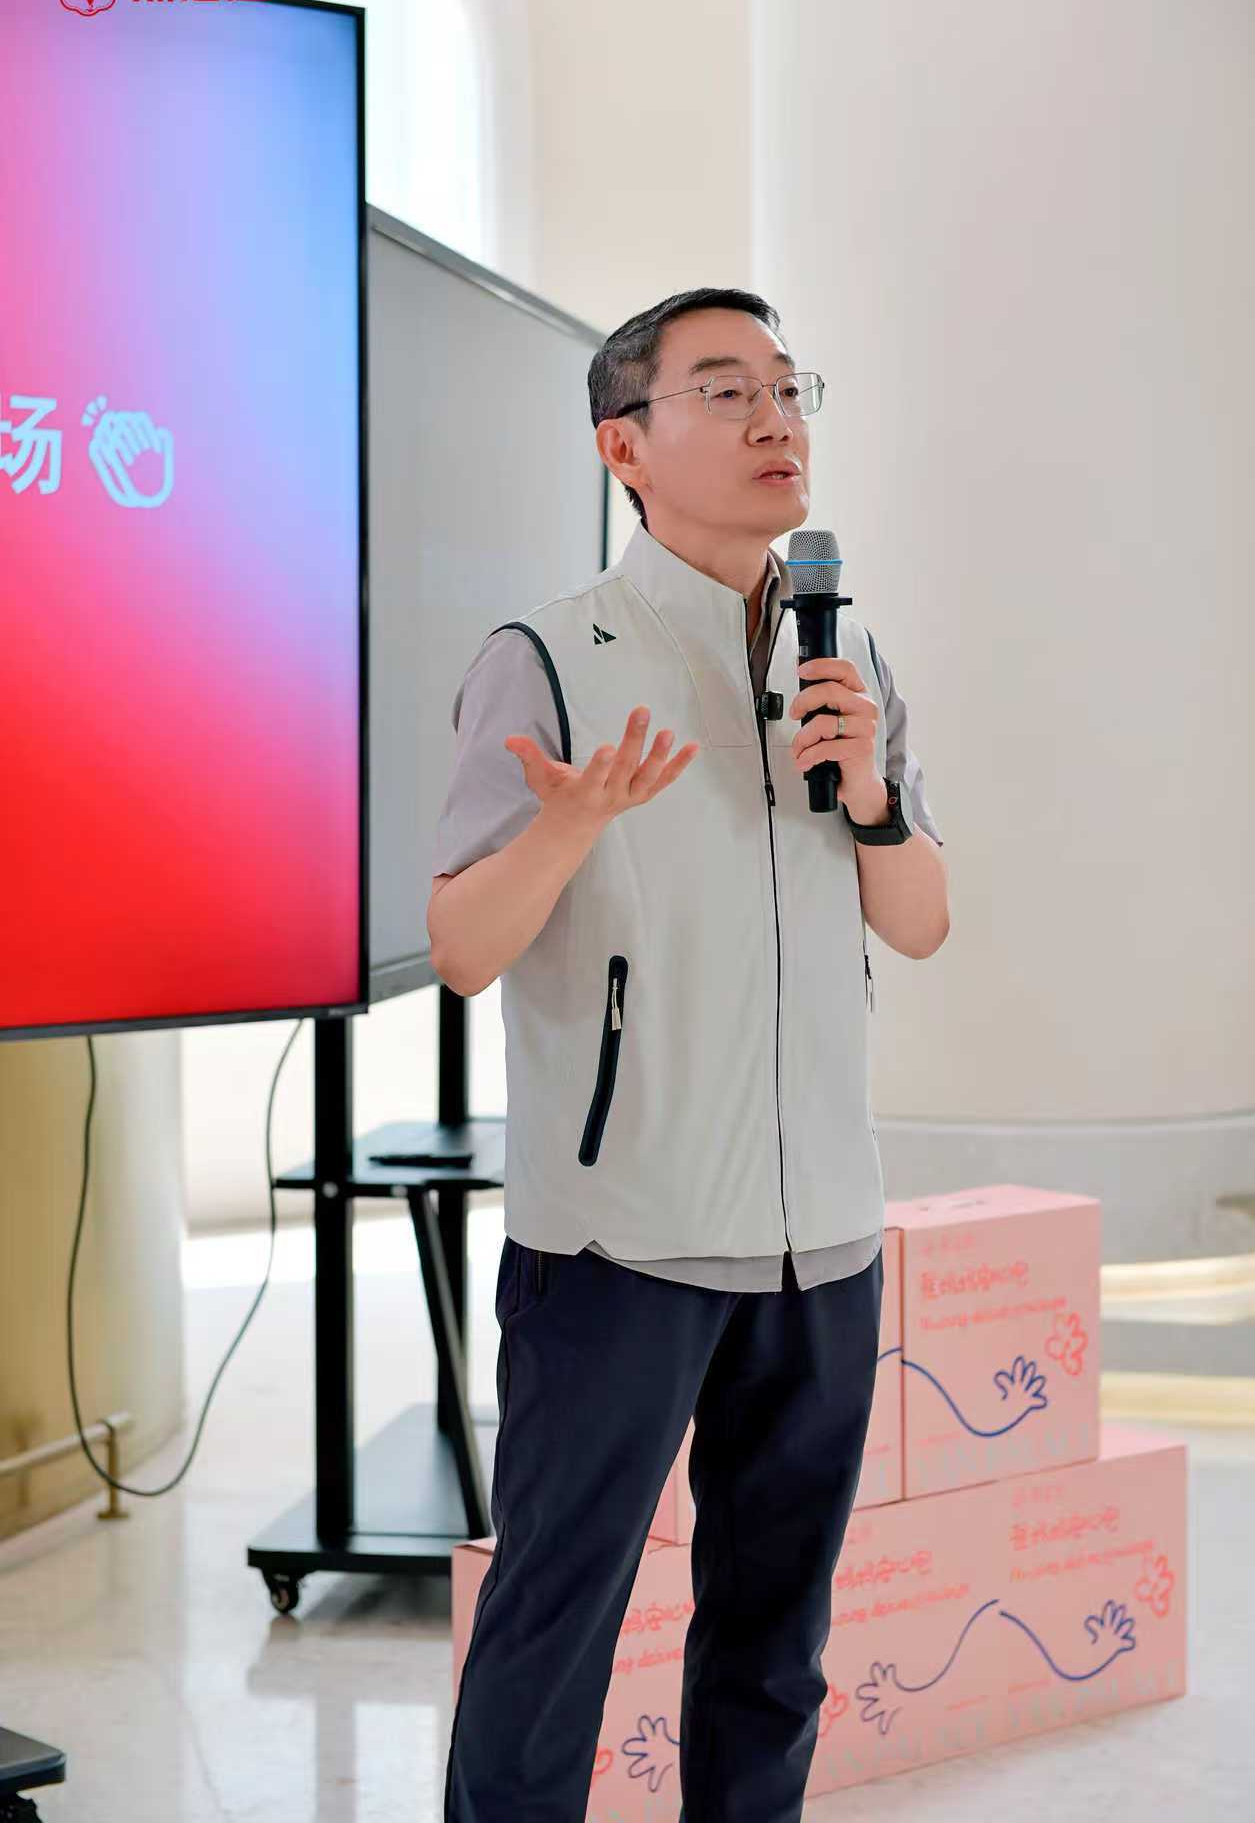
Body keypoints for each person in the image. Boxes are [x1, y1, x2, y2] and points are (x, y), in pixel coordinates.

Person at [429, 287, 948, 1820]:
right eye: (727, 391)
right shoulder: (551, 655)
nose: (776, 419)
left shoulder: (846, 654)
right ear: (625, 446)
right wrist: (570, 827)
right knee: (551, 1636)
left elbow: (920, 920)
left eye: (788, 388)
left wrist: (873, 797)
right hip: (621, 1240)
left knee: (775, 1649)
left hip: (822, 1237)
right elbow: (460, 947)